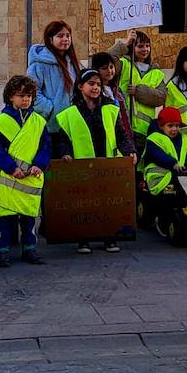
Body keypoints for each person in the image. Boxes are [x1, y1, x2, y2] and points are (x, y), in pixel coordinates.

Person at [51, 69, 136, 254]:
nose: (95, 87)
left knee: (108, 203)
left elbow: (121, 135)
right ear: (81, 86)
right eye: (91, 84)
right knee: (84, 204)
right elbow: (62, 139)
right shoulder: (69, 113)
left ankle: (110, 238)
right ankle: (84, 239)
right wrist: (65, 153)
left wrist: (130, 151)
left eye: (98, 84)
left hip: (107, 165)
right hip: (82, 168)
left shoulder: (111, 109)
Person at [0, 75, 50, 267]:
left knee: (29, 221)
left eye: (29, 96)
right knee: (5, 222)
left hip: (30, 180)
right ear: (10, 97)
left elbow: (45, 147)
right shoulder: (1, 122)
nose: (26, 99)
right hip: (8, 180)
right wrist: (11, 167)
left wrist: (39, 165)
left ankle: (30, 250)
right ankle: (2, 252)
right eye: (21, 95)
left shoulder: (39, 122)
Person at [140, 107, 187, 230]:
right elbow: (158, 156)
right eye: (170, 126)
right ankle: (163, 218)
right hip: (160, 179)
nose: (174, 129)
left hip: (178, 176)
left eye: (177, 126)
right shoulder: (154, 139)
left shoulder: (184, 139)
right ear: (161, 126)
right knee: (170, 195)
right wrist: (173, 164)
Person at [108, 30, 166, 154]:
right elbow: (108, 59)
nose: (145, 49)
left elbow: (161, 97)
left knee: (140, 170)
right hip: (123, 127)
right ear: (132, 47)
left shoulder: (155, 72)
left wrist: (139, 91)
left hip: (144, 130)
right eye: (140, 46)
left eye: (147, 46)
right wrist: (125, 42)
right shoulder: (124, 64)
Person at [27, 20, 81, 134]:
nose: (65, 39)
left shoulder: (72, 63)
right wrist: (49, 109)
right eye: (60, 36)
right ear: (50, 39)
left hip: (71, 122)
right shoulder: (39, 64)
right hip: (49, 126)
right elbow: (32, 91)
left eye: (68, 35)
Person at [90, 52, 134, 146]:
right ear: (96, 70)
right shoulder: (95, 93)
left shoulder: (117, 91)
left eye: (111, 67)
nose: (109, 71)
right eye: (104, 68)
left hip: (122, 134)